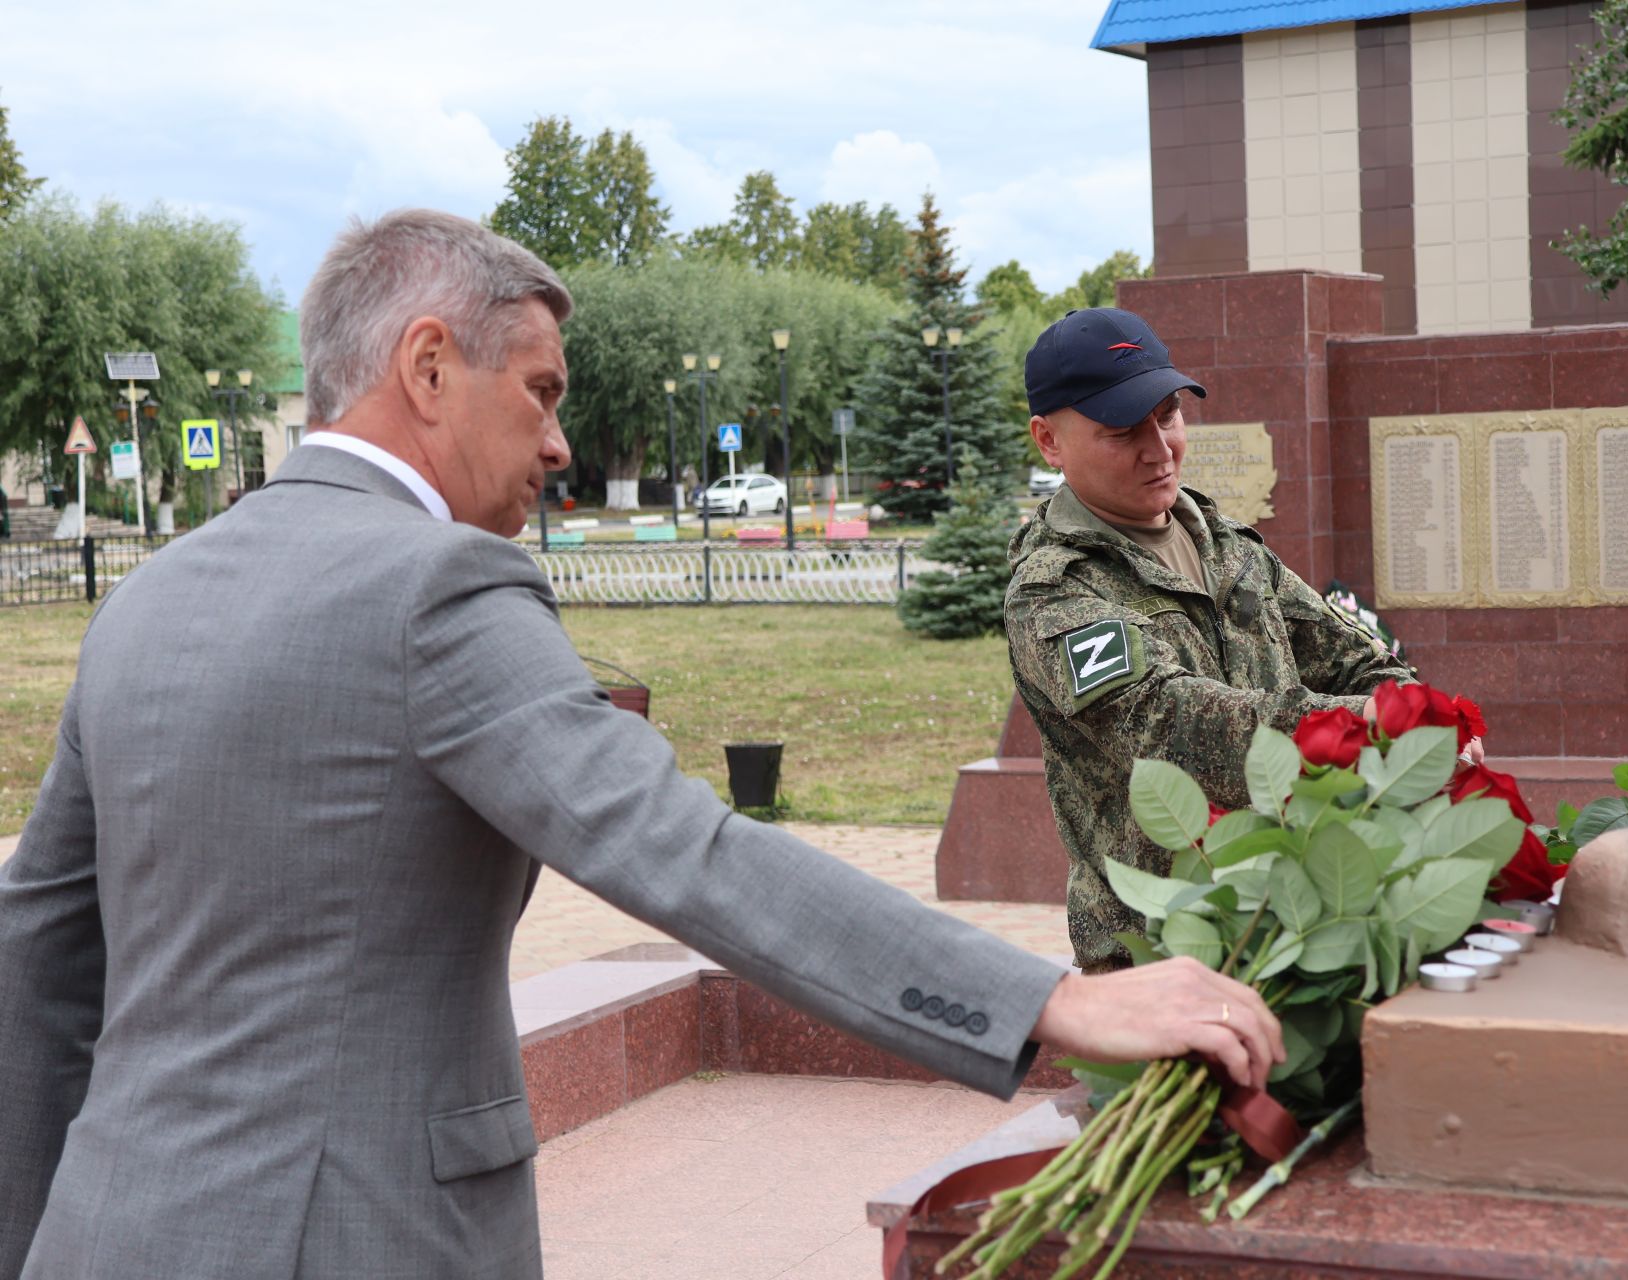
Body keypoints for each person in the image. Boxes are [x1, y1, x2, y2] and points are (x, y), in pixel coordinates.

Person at [0, 213, 1280, 1280]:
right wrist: (1055, 1000)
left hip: (103, 1228)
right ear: (430, 366)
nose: (559, 442)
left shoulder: (151, 598)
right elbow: (684, 850)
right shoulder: (437, 585)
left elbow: (39, 963)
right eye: (543, 391)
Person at [1005, 307, 1426, 974]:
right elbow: (1171, 728)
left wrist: (1415, 711)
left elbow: (1357, 662)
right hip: (1163, 950)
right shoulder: (1054, 592)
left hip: (1299, 916)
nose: (1159, 447)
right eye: (1122, 431)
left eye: (1168, 414)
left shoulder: (1224, 546)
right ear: (1049, 441)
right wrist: (1368, 726)